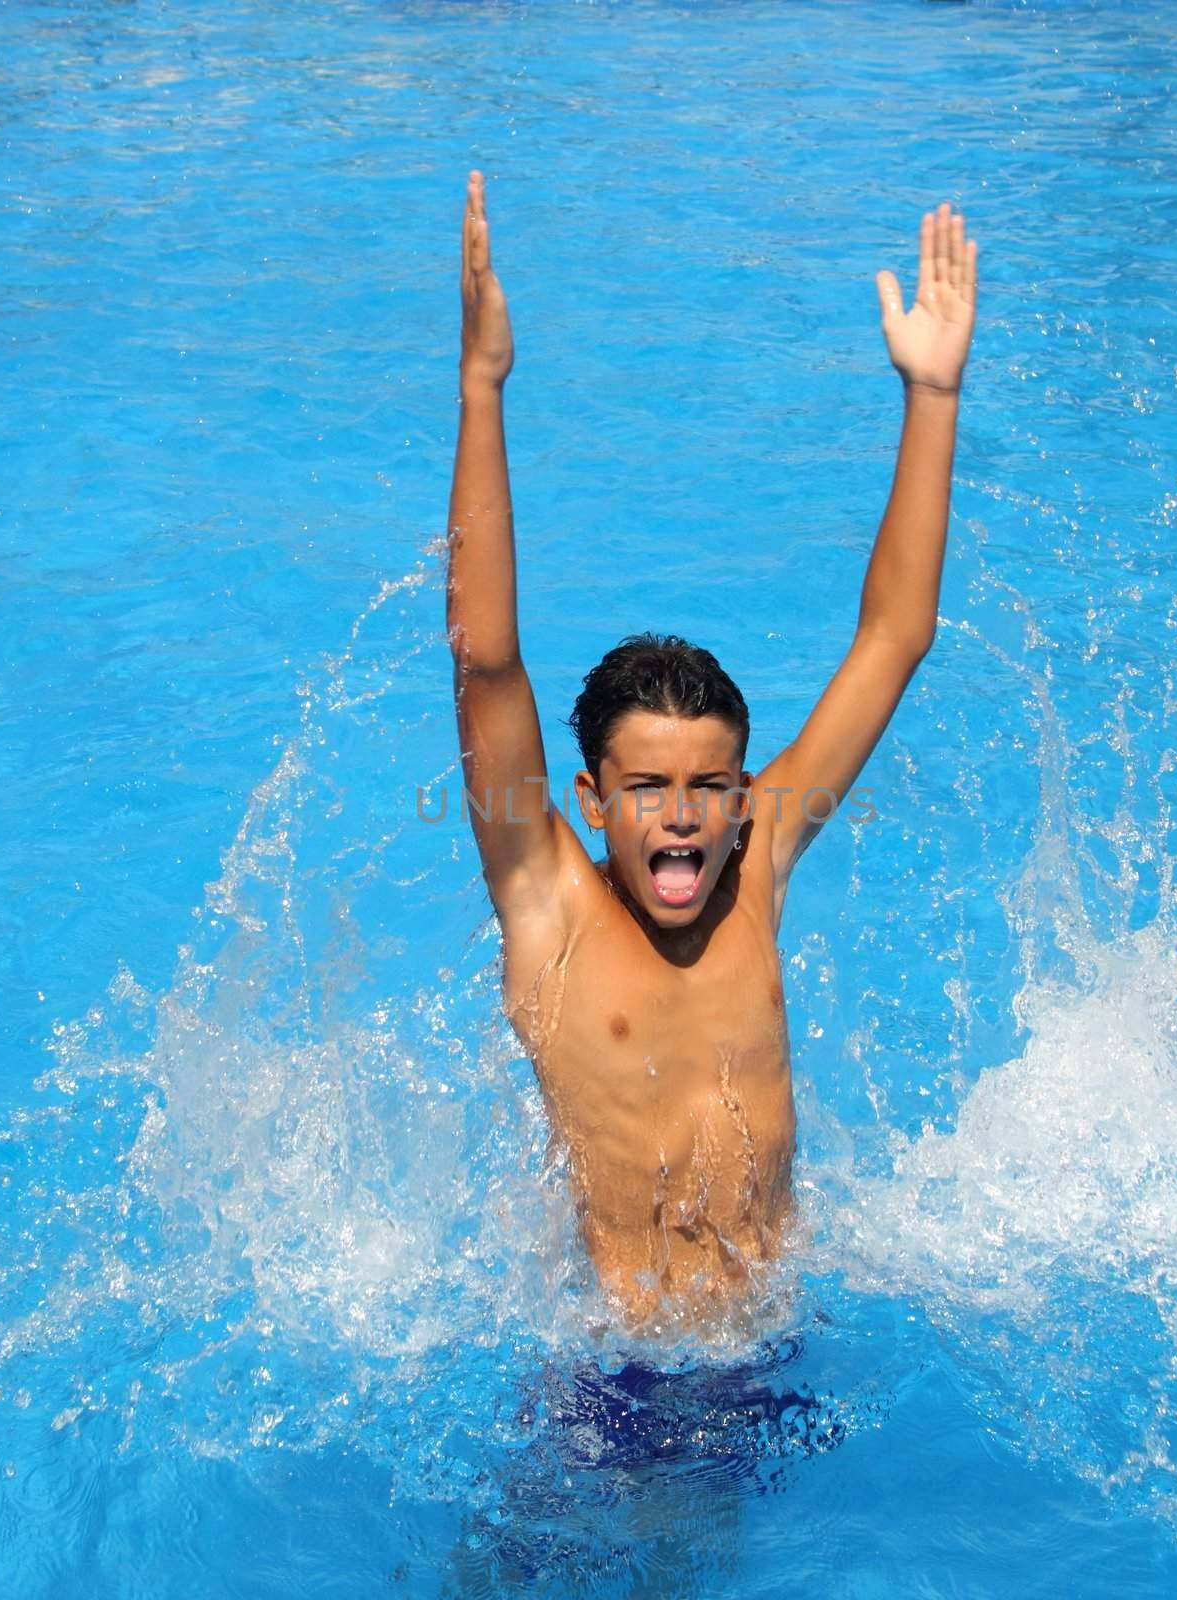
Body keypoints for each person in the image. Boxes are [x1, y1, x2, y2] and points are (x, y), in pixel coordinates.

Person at [446, 169, 977, 1332]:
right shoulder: (546, 907)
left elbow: (894, 639)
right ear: (589, 798)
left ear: (744, 797)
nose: (681, 815)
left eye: (707, 787)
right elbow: (487, 664)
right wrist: (482, 387)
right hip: (616, 1380)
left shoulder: (756, 871)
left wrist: (931, 394)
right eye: (646, 788)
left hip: (772, 1350)